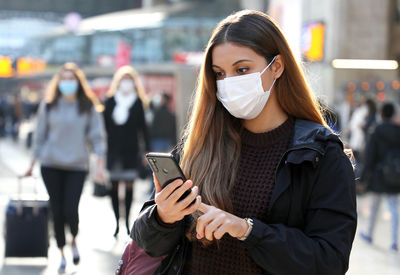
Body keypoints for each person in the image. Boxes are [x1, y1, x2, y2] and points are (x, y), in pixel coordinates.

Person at [131, 10, 357, 275]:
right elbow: (145, 242)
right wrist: (163, 217)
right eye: (219, 73)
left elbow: (329, 261)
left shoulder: (320, 155)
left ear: (276, 66)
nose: (229, 83)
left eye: (242, 69)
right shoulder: (201, 143)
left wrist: (247, 229)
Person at [25, 62, 106, 272]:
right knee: (56, 209)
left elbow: (97, 137)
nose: (67, 83)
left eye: (71, 79)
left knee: (71, 209)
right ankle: (61, 251)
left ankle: (74, 239)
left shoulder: (87, 105)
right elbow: (40, 135)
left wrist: (100, 164)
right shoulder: (49, 104)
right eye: (64, 79)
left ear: (78, 82)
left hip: (77, 166)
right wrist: (32, 163)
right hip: (50, 165)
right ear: (58, 82)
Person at [103, 65, 150, 238]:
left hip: (131, 152)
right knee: (114, 188)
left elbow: (143, 129)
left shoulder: (137, 102)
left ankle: (127, 221)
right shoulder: (110, 102)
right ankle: (117, 222)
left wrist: (146, 151)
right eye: (123, 80)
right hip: (113, 152)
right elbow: (104, 128)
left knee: (129, 187)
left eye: (129, 80)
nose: (126, 83)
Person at [359, 102, 400, 251]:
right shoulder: (398, 131)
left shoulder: (376, 131)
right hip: (395, 176)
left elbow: (370, 157)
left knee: (374, 206)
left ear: (381, 114)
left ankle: (369, 234)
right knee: (394, 208)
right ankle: (394, 241)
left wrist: (363, 178)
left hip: (378, 175)